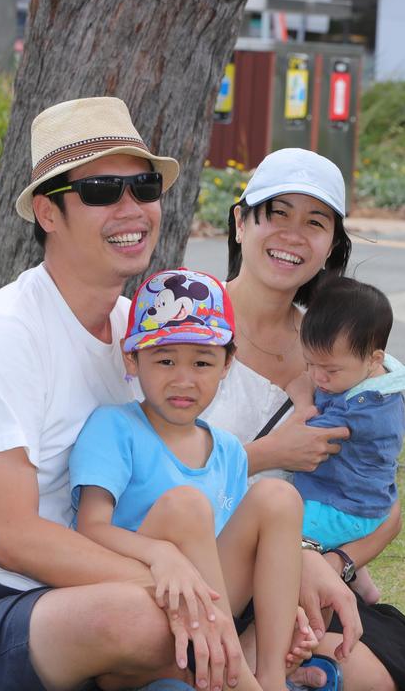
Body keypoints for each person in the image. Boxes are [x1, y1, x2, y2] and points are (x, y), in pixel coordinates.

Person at [0, 97, 234, 691]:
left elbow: (201, 472)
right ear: (48, 213)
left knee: (265, 594)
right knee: (155, 620)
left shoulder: (143, 333)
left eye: (144, 186)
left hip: (79, 596)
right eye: (102, 191)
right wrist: (161, 576)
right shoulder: (4, 337)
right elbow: (12, 536)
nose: (132, 209)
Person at [203, 148, 405, 691]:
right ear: (240, 222)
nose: (292, 234)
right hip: (211, 572)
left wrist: (330, 565)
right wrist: (273, 457)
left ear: (332, 244)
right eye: (276, 213)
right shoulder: (188, 329)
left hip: (312, 573)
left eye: (315, 222)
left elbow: (384, 503)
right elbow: (157, 468)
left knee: (378, 673)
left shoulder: (340, 350)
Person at [70, 268, 312, 691]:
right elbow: (91, 530)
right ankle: (237, 674)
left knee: (278, 496)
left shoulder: (229, 451)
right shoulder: (115, 427)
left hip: (211, 611)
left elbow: (235, 549)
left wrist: (280, 598)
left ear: (227, 364)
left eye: (202, 362)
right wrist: (162, 554)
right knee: (186, 507)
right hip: (139, 614)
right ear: (132, 359)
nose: (184, 379)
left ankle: (269, 678)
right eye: (165, 361)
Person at [293, 276, 405, 601]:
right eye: (310, 364)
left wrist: (300, 398)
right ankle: (361, 582)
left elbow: (309, 435)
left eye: (330, 370)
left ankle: (326, 597)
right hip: (357, 498)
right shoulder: (375, 375)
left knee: (280, 535)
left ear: (374, 359)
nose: (318, 377)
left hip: (346, 508)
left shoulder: (364, 407)